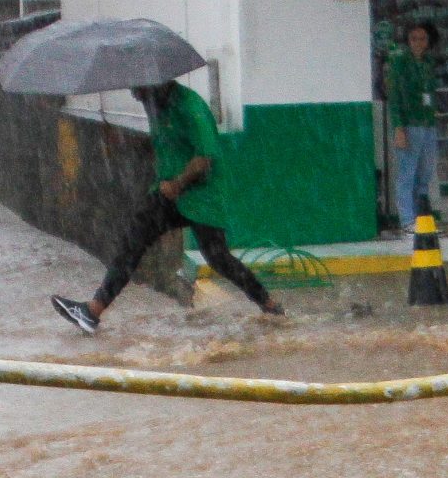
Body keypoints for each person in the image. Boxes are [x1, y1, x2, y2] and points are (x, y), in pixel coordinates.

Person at [52, 79, 280, 333]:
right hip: (167, 195)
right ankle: (92, 311)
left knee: (218, 258)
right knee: (133, 243)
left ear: (156, 84)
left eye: (138, 88)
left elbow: (205, 157)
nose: (135, 95)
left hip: (201, 196)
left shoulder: (190, 106)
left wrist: (178, 183)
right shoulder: (155, 104)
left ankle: (269, 304)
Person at [383, 21, 440, 232]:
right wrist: (399, 127)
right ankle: (407, 220)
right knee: (407, 173)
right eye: (414, 38)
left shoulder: (428, 63)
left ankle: (423, 218)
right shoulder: (400, 62)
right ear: (408, 40)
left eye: (422, 38)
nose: (418, 43)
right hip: (409, 125)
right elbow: (395, 96)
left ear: (428, 41)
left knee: (424, 174)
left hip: (428, 123)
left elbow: (430, 92)